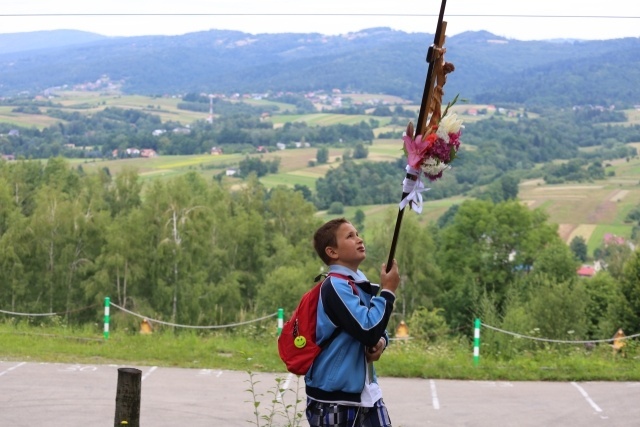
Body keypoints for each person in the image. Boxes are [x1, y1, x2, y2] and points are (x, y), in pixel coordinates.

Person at [306, 217, 400, 427]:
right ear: (332, 252)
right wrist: (388, 291)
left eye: (357, 234)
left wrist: (382, 342)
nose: (359, 239)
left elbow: (373, 327)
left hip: (366, 393)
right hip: (334, 401)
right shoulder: (336, 287)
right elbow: (367, 330)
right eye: (350, 236)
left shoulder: (355, 283)